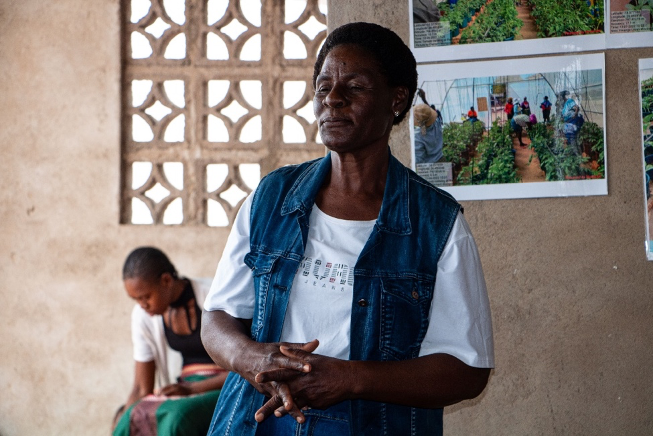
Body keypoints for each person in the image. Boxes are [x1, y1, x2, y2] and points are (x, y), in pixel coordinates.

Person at [201, 22, 494, 437]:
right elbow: (217, 318)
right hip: (256, 422)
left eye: (354, 87)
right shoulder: (272, 199)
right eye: (323, 87)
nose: (332, 100)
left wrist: (353, 379)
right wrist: (251, 358)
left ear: (396, 100)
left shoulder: (436, 223)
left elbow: (467, 370)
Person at [113, 247, 228, 436]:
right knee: (129, 419)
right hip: (184, 388)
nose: (142, 305)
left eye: (146, 297)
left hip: (225, 385)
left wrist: (192, 389)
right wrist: (124, 418)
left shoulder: (215, 295)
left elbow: (242, 369)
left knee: (177, 419)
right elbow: (142, 387)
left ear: (166, 280)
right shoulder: (143, 316)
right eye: (136, 299)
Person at [559, 91, 585, 155]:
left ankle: (577, 155)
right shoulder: (564, 105)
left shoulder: (569, 101)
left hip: (573, 121)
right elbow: (564, 115)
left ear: (563, 97)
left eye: (560, 98)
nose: (559, 100)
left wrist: (575, 114)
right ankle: (574, 154)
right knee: (570, 138)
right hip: (569, 123)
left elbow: (576, 107)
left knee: (572, 138)